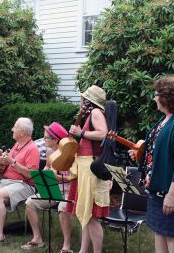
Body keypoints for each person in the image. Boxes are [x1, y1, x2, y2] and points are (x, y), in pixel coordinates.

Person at [129, 76, 174, 253]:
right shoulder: (167, 119)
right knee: (159, 232)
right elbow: (156, 152)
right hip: (158, 189)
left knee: (173, 236)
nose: (154, 98)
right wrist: (140, 154)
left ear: (167, 97)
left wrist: (172, 195)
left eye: (156, 94)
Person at [0, 117, 40, 245]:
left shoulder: (32, 149)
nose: (12, 129)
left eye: (14, 127)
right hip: (8, 181)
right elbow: (8, 162)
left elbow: (30, 175)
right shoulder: (17, 145)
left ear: (22, 132)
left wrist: (13, 162)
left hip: (25, 184)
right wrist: (0, 156)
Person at [67, 85, 110, 253]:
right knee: (85, 213)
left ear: (89, 100)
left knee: (90, 215)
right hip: (85, 167)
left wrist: (81, 133)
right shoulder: (93, 113)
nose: (81, 100)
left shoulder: (96, 113)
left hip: (90, 168)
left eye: (83, 98)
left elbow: (103, 133)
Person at [21, 122, 72, 251]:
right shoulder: (50, 151)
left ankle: (66, 245)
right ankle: (37, 238)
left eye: (46, 138)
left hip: (70, 190)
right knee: (30, 202)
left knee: (63, 207)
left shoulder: (71, 154)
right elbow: (47, 167)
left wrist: (58, 177)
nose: (43, 140)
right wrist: (43, 173)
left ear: (56, 140)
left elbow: (74, 178)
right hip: (54, 188)